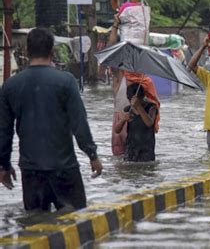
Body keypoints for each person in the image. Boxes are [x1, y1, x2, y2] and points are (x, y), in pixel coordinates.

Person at [0, 27, 103, 212]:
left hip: (31, 172)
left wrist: (3, 166)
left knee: (34, 229)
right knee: (77, 225)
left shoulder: (10, 86)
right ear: (51, 51)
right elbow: (79, 123)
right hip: (64, 168)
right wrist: (92, 154)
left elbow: (4, 131)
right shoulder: (66, 82)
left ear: (28, 51)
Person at [115, 82, 158, 162]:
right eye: (130, 100)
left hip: (146, 150)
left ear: (142, 97)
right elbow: (117, 130)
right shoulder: (128, 110)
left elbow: (149, 123)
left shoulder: (151, 108)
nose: (133, 103)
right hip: (131, 149)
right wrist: (123, 119)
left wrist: (139, 107)